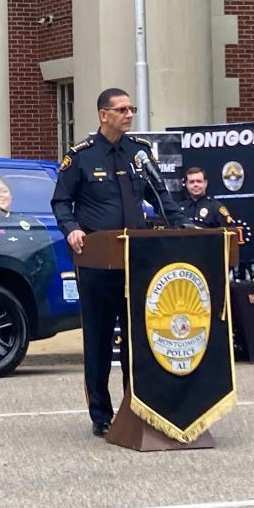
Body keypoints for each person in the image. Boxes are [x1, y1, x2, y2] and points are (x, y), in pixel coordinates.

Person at [51, 88, 185, 438]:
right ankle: (101, 414)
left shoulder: (139, 153)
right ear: (103, 114)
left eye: (132, 108)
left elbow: (161, 197)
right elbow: (61, 202)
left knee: (136, 339)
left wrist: (185, 227)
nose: (129, 114)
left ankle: (136, 406)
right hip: (97, 261)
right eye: (122, 109)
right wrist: (72, 230)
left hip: (136, 259)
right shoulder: (81, 155)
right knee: (97, 340)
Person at [0, 176, 56, 310]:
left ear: (11, 195)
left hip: (35, 299)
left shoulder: (31, 222)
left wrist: (35, 293)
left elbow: (49, 262)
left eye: (4, 190)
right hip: (1, 300)